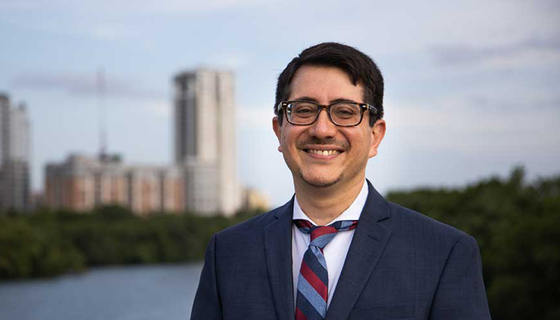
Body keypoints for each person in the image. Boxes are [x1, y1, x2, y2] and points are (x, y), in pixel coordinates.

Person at [190, 42, 492, 320]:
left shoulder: (444, 253)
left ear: (376, 136)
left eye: (345, 112)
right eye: (304, 110)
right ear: (278, 130)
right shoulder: (228, 253)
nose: (322, 129)